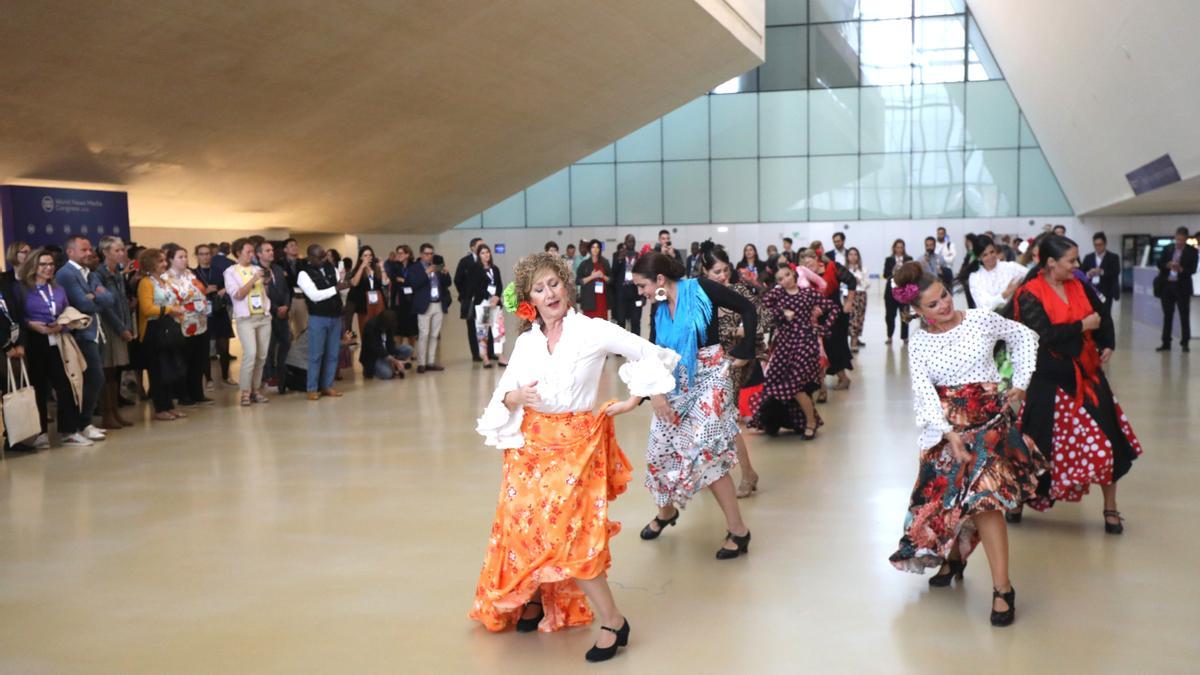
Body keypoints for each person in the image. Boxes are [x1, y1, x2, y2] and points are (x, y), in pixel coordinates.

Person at [471, 252, 680, 663]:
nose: (549, 293)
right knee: (523, 527)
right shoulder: (529, 341)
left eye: (554, 284)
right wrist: (516, 397)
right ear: (529, 297)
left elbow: (651, 352)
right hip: (530, 447)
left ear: (567, 285)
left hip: (577, 446)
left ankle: (613, 621)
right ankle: (532, 600)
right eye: (539, 288)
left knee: (572, 536)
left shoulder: (593, 330)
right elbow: (504, 393)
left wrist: (637, 397)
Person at [887, 260, 1043, 627]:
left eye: (944, 295)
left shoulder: (981, 319)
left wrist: (1020, 381)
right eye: (932, 304)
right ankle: (954, 557)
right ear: (917, 311)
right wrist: (947, 433)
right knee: (948, 503)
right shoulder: (920, 342)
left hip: (989, 426)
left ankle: (1002, 588)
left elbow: (1023, 336)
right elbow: (923, 390)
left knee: (987, 503)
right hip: (948, 432)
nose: (944, 305)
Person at [1010, 235, 1143, 532]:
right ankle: (1018, 498)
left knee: (1109, 441)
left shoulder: (1079, 285)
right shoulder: (1029, 293)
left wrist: (1106, 341)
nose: (1077, 265)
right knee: (1035, 446)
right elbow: (1042, 335)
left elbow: (1102, 313)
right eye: (1071, 260)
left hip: (1087, 374)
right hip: (1048, 380)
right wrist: (1082, 326)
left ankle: (1111, 508)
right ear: (1050, 263)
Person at [631, 252, 756, 560]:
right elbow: (652, 354)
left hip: (710, 376)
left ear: (660, 279)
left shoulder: (701, 287)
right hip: (673, 382)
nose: (641, 292)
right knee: (658, 451)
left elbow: (747, 308)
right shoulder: (658, 310)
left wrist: (747, 347)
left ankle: (739, 531)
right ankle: (666, 512)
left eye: (642, 285)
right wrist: (653, 393)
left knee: (705, 453)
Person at [697, 242, 770, 497]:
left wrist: (747, 330)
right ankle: (716, 473)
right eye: (716, 271)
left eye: (725, 270)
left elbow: (764, 317)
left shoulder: (739, 290)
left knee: (726, 417)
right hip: (708, 361)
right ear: (705, 272)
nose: (722, 276)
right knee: (711, 419)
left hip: (736, 360)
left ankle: (747, 473)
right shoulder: (701, 294)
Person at [753, 262, 840, 440]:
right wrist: (782, 312)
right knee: (772, 383)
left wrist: (822, 329)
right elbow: (762, 310)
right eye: (779, 278)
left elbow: (834, 308)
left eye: (787, 275)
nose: (785, 280)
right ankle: (774, 421)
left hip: (805, 344)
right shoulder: (777, 293)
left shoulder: (808, 293)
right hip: (784, 344)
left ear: (794, 274)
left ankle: (810, 423)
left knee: (796, 387)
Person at [14, 248, 91, 447]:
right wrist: (30, 324)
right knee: (38, 387)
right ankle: (40, 433)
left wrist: (61, 326)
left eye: (51, 264)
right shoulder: (22, 289)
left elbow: (67, 312)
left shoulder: (57, 289)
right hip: (33, 341)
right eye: (43, 265)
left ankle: (69, 430)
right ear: (33, 266)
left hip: (57, 339)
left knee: (65, 385)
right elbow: (15, 316)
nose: (48, 268)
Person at [56, 236, 111, 441]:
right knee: (93, 378)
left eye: (90, 249)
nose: (89, 253)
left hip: (95, 331)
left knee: (95, 379)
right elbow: (83, 304)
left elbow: (110, 298)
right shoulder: (66, 274)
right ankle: (81, 423)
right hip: (80, 332)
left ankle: (85, 422)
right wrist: (95, 297)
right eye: (84, 250)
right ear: (70, 252)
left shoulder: (89, 272)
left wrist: (95, 297)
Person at [802, 244, 857, 394]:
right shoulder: (806, 276)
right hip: (816, 317)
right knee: (821, 350)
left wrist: (849, 302)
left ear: (816, 258)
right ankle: (821, 384)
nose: (807, 266)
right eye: (804, 264)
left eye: (809, 262)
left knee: (835, 347)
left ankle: (844, 378)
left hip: (835, 315)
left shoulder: (832, 267)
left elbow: (852, 281)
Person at [224, 238, 273, 406]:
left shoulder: (257, 268)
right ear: (238, 252)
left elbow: (263, 291)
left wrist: (265, 281)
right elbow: (237, 294)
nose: (251, 255)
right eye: (248, 252)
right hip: (246, 318)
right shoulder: (231, 272)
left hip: (263, 316)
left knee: (261, 356)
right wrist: (253, 279)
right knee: (250, 354)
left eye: (253, 252)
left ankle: (255, 390)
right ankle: (245, 391)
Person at [163, 244, 212, 407]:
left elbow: (201, 291)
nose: (184, 260)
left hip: (200, 322)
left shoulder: (190, 274)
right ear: (171, 259)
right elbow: (174, 299)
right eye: (180, 257)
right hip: (182, 323)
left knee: (199, 360)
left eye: (185, 257)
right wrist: (189, 300)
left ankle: (197, 393)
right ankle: (183, 395)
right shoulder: (166, 278)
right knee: (183, 361)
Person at [297, 244, 349, 399]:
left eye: (324, 256)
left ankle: (328, 386)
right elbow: (315, 296)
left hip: (335, 316)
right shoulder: (303, 274)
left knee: (333, 354)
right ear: (310, 258)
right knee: (316, 354)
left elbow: (342, 290)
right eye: (319, 257)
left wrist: (344, 282)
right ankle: (312, 388)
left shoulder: (330, 268)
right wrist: (336, 288)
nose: (323, 259)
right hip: (318, 317)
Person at [94, 237, 134, 429]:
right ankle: (106, 414)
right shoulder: (99, 274)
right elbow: (105, 307)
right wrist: (121, 328)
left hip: (120, 324)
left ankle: (115, 411)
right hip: (109, 326)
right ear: (106, 252)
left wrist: (127, 325)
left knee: (115, 371)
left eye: (122, 250)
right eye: (117, 251)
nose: (122, 254)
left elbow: (122, 302)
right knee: (107, 370)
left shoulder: (117, 273)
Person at [194, 244, 235, 386]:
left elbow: (230, 285)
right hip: (203, 312)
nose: (205, 257)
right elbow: (189, 293)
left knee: (224, 346)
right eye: (202, 254)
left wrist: (223, 290)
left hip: (219, 310)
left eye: (207, 254)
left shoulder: (219, 271)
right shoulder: (193, 274)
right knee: (204, 347)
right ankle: (208, 379)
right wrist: (204, 290)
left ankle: (226, 376)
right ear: (197, 256)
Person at [407, 243, 451, 373]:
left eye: (431, 253)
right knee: (424, 334)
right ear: (421, 255)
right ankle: (421, 363)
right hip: (424, 304)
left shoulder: (437, 267)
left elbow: (448, 283)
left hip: (438, 303)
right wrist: (426, 273)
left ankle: (431, 362)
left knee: (434, 334)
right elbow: (413, 284)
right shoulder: (415, 268)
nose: (429, 256)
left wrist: (445, 273)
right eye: (426, 254)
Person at [1155, 226, 1197, 352]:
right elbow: (1159, 263)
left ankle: (1185, 343)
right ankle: (1166, 342)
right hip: (1167, 286)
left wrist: (1181, 269)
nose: (1179, 243)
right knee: (1167, 315)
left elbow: (1193, 270)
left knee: (1184, 315)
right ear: (1175, 237)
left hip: (1182, 287)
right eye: (1177, 239)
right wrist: (1167, 265)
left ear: (1186, 240)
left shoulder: (1192, 252)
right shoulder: (1168, 248)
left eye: (1182, 240)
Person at [259, 240, 292, 394]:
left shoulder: (278, 269)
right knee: (269, 348)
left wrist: (285, 306)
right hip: (268, 314)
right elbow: (262, 295)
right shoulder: (255, 271)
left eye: (272, 250)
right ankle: (268, 376)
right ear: (259, 254)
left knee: (286, 343)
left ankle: (282, 375)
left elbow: (286, 290)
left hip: (283, 313)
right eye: (267, 250)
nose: (271, 252)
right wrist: (275, 308)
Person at [468, 244, 506, 367]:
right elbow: (475, 287)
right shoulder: (475, 269)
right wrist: (489, 297)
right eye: (483, 253)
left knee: (498, 331)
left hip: (496, 304)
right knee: (482, 332)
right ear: (479, 255)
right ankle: (485, 357)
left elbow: (499, 285)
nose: (486, 255)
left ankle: (500, 356)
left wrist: (496, 297)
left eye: (487, 252)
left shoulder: (495, 268)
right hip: (484, 304)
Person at [967, 235, 1027, 312]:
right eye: (985, 255)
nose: (990, 257)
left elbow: (1030, 274)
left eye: (992, 252)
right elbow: (983, 307)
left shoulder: (1011, 267)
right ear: (979, 258)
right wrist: (1007, 293)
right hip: (991, 320)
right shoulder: (975, 278)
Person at [358, 309, 414, 380]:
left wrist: (393, 359)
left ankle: (396, 365)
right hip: (374, 357)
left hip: (386, 352)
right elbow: (377, 348)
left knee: (408, 349)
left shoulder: (389, 326)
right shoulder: (370, 327)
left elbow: (390, 344)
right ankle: (368, 370)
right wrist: (394, 361)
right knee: (387, 374)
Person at [454, 238, 485, 362]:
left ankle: (487, 352)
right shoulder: (465, 261)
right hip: (470, 300)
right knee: (472, 327)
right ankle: (475, 354)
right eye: (479, 245)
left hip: (483, 299)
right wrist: (465, 294)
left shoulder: (485, 260)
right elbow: (457, 279)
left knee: (484, 326)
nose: (483, 247)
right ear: (472, 247)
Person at [387, 245, 420, 356]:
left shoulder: (414, 266)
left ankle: (411, 352)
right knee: (397, 330)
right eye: (398, 253)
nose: (399, 255)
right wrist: (406, 281)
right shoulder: (394, 266)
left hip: (411, 301)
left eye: (401, 253)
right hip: (398, 301)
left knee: (411, 330)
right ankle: (399, 352)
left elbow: (415, 282)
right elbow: (393, 279)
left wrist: (404, 280)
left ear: (408, 254)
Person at [1081, 231, 1121, 315]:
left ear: (1105, 244)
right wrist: (1089, 274)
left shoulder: (1113, 257)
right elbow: (1082, 273)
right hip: (1092, 291)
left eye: (1100, 244)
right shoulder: (1088, 257)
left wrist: (1102, 272)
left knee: (1105, 314)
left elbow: (1116, 272)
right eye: (1095, 245)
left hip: (1106, 291)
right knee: (1092, 313)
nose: (1098, 247)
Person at [611, 235, 643, 335]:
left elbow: (642, 273)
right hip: (622, 292)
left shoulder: (638, 255)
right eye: (629, 241)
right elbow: (614, 272)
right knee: (621, 320)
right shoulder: (617, 255)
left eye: (633, 241)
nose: (631, 243)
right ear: (625, 242)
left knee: (635, 320)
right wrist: (620, 259)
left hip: (635, 292)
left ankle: (637, 345)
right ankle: (622, 345)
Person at [883, 238, 913, 344]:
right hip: (891, 291)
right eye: (897, 247)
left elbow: (912, 274)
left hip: (904, 291)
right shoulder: (889, 259)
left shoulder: (909, 259)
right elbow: (885, 275)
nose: (899, 249)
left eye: (901, 247)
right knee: (890, 315)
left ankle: (904, 337)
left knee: (905, 314)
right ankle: (889, 336)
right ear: (894, 248)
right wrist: (894, 271)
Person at [576, 239, 613, 320]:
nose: (595, 249)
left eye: (597, 247)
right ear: (589, 249)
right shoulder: (584, 264)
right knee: (590, 326)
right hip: (589, 300)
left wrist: (603, 276)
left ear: (600, 249)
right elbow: (578, 281)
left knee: (602, 325)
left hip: (602, 299)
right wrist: (592, 276)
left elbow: (611, 280)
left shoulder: (605, 262)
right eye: (593, 247)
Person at [845, 247, 869, 349]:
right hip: (848, 295)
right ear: (847, 256)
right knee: (850, 318)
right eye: (850, 254)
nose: (853, 257)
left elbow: (867, 283)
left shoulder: (863, 269)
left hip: (860, 294)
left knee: (859, 318)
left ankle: (855, 341)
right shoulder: (844, 269)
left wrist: (859, 281)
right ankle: (850, 341)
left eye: (855, 254)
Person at [935, 226, 956, 290]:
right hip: (937, 272)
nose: (940, 235)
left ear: (945, 234)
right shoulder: (934, 245)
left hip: (948, 271)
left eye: (942, 233)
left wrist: (940, 258)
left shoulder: (950, 245)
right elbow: (933, 259)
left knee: (949, 291)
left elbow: (952, 259)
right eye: (939, 233)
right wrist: (946, 257)